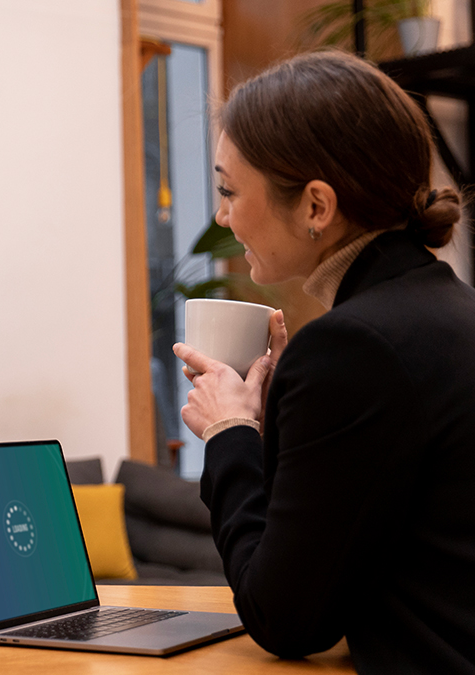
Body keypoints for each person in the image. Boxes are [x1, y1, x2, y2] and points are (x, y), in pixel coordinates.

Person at [173, 51, 475, 673]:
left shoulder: (353, 347)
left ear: (316, 206)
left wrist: (231, 434)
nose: (222, 216)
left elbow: (286, 619)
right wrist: (288, 415)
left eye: (229, 190)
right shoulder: (443, 310)